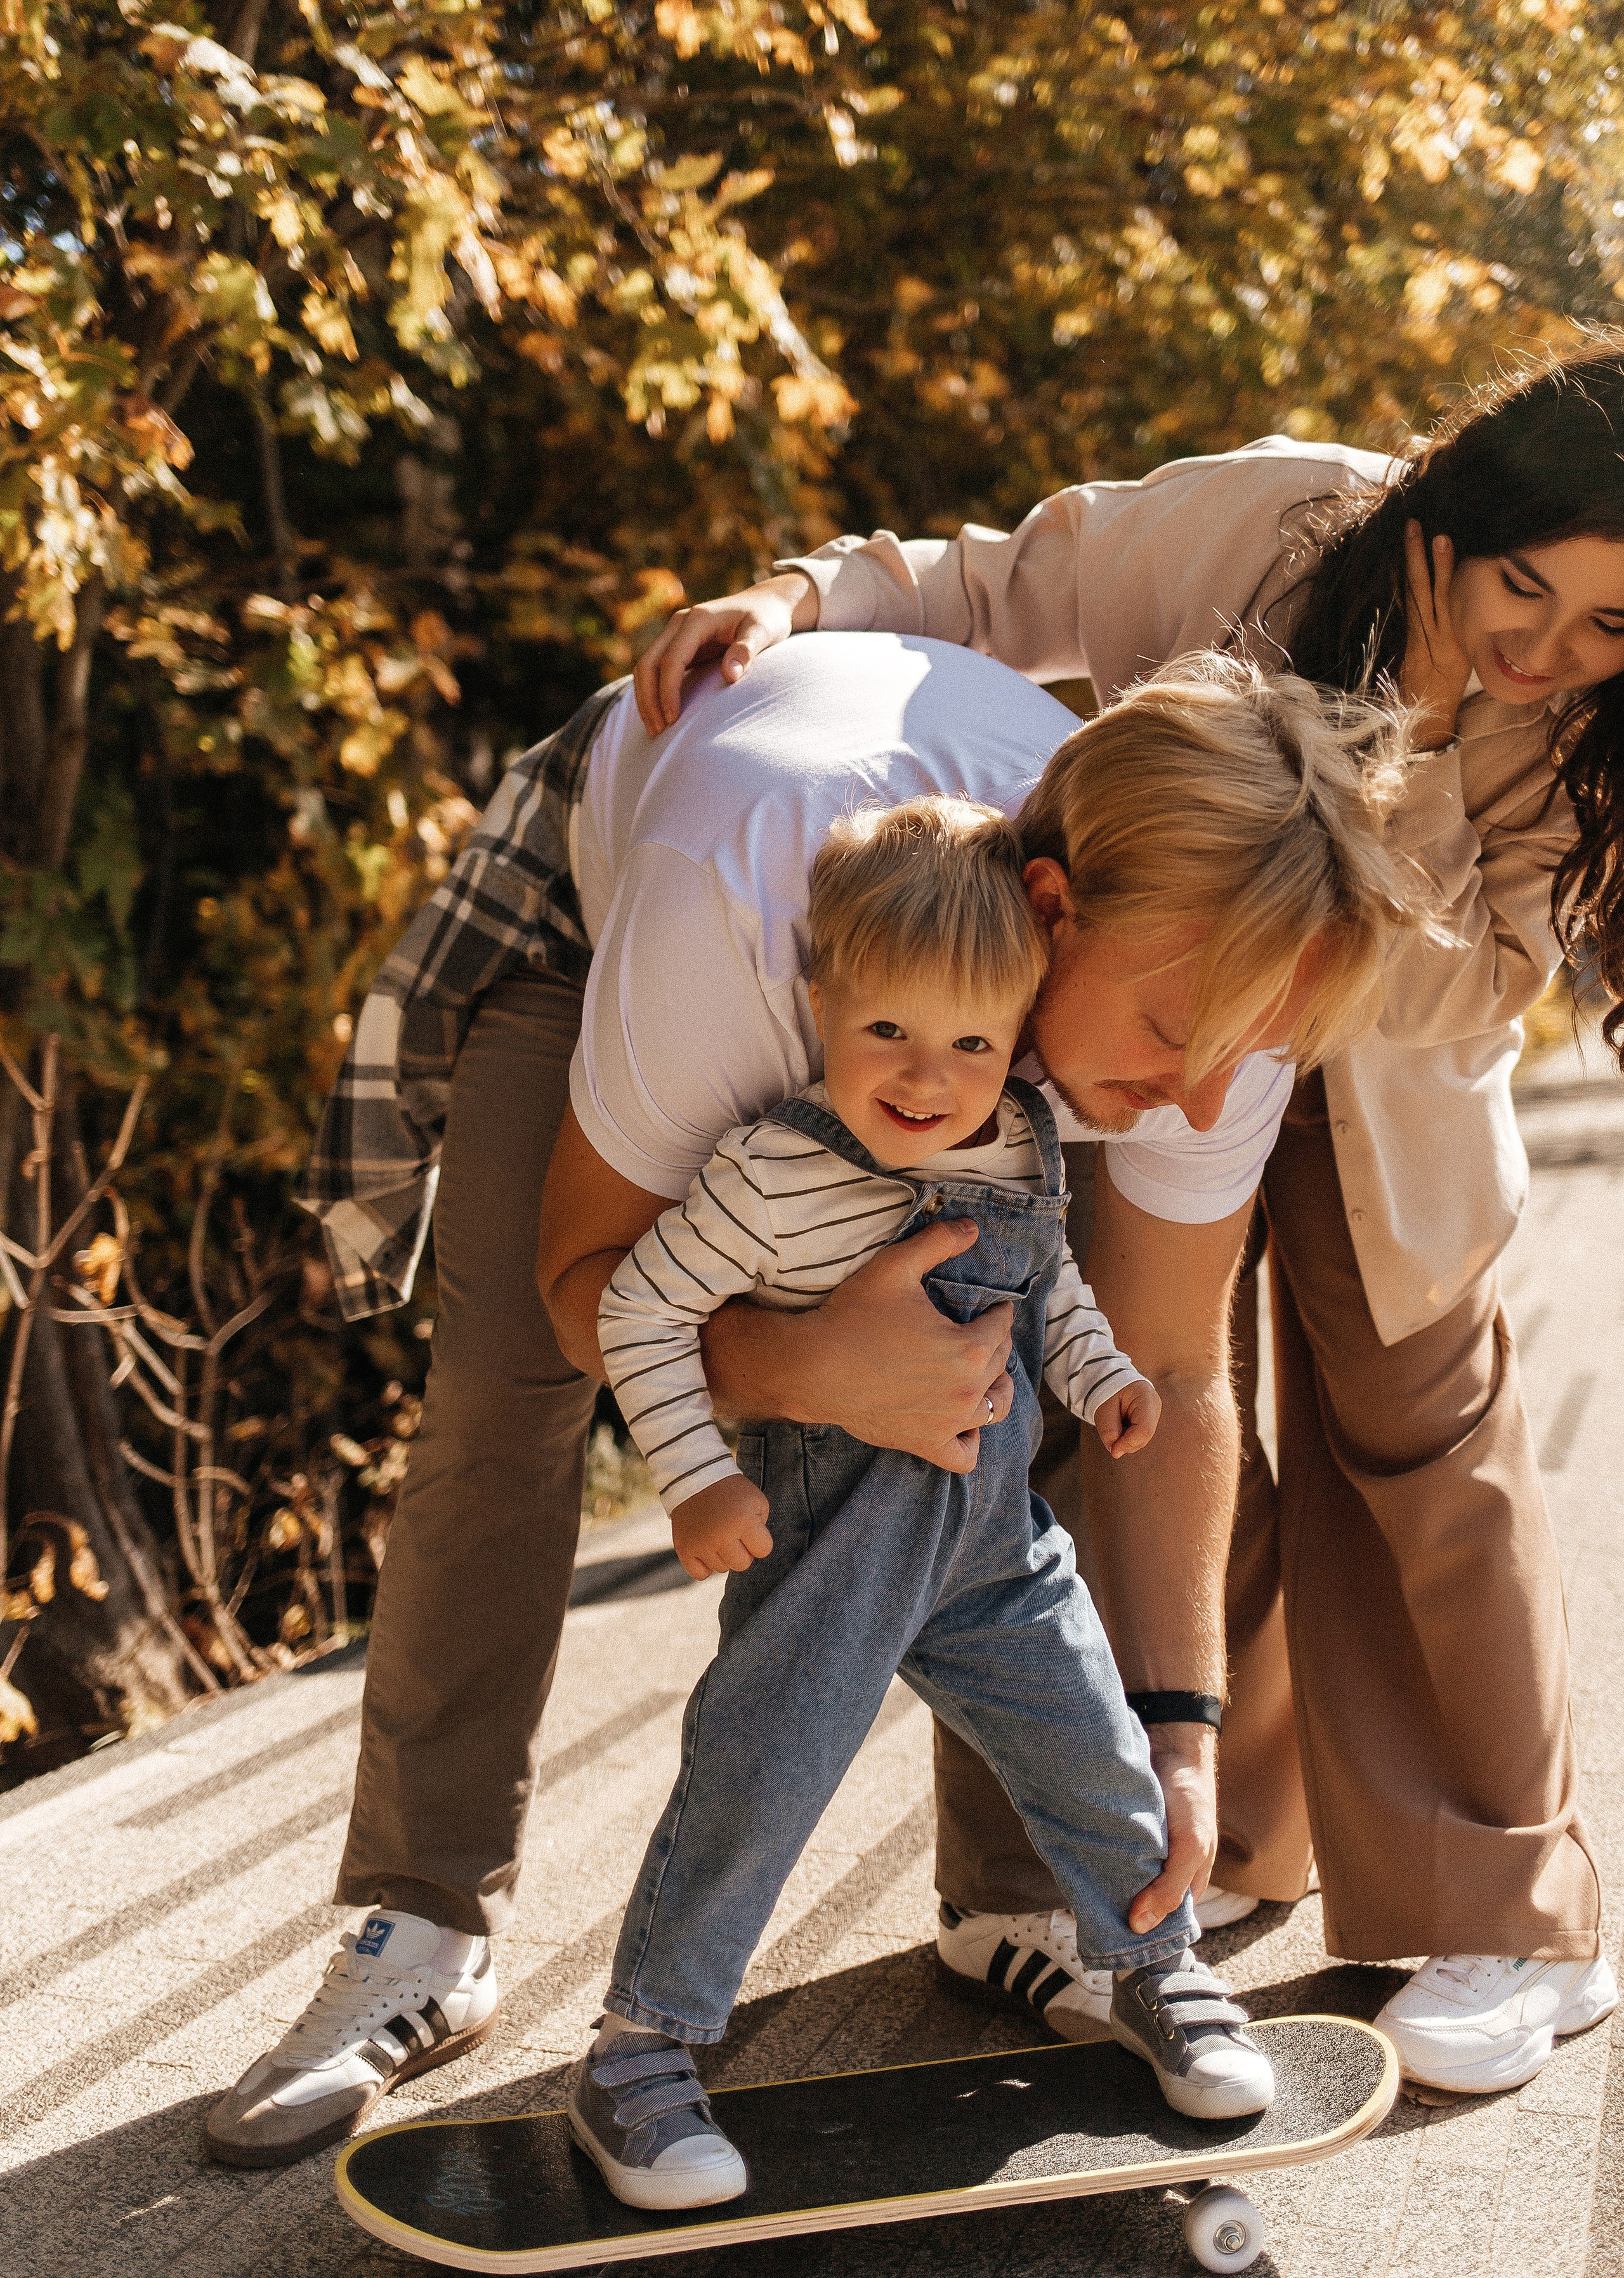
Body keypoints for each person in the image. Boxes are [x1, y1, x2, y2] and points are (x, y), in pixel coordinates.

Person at [204, 632, 1417, 2166]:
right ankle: (421, 1926)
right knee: (508, 1388)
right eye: (1177, 1038)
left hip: (943, 1020)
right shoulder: (736, 888)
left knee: (1007, 1366)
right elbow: (589, 1276)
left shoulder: (1220, 999)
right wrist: (795, 1369)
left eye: (1249, 1055)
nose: (1196, 1099)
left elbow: (1170, 1365)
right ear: (1052, 912)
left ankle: (1017, 1906)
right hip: (615, 910)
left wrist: (1180, 1729)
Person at [634, 341, 1624, 2095]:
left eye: (1608, 625)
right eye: (1521, 589)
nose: (1548, 648)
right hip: (1133, 1037)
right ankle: (1139, 1853)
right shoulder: (1276, 522)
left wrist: (1421, 745)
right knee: (1112, 1409)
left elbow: (1482, 981)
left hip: (1383, 1093)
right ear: (1455, 519)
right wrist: (796, 594)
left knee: (1416, 1437)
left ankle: (1511, 1910)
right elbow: (1003, 579)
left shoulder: (1566, 730)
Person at [572, 791, 1280, 2216]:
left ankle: (1153, 1965)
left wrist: (1099, 1376)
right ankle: (641, 2051)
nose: (925, 1075)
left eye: (971, 1042)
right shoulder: (772, 1175)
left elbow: (1050, 1285)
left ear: (1016, 1035)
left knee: (1095, 1748)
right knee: (756, 1777)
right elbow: (638, 1310)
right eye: (886, 1027)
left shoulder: (1019, 1138)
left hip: (996, 1550)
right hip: (830, 1546)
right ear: (820, 1003)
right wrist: (696, 1476)